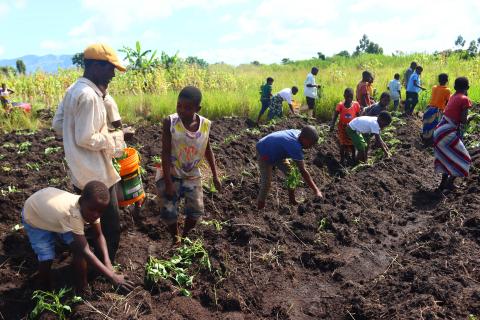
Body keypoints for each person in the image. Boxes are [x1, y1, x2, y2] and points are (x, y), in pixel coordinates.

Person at [52, 43, 127, 263]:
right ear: (95, 65)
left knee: (89, 220)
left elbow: (58, 125)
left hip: (79, 170)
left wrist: (72, 131)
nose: (113, 74)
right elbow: (86, 138)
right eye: (110, 68)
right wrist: (113, 138)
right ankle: (105, 269)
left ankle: (91, 260)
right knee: (111, 227)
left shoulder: (73, 90)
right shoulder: (90, 96)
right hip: (97, 175)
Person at [22, 181, 134, 293]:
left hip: (51, 208)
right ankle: (43, 287)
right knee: (47, 255)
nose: (96, 215)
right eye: (92, 210)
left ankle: (82, 286)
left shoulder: (93, 206)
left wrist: (108, 263)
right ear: (81, 201)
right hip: (34, 214)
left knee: (77, 248)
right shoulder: (74, 214)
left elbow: (99, 235)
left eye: (100, 211)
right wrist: (113, 277)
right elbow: (85, 251)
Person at [158, 86, 221, 245]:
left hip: (192, 174)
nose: (181, 110)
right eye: (179, 105)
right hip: (171, 172)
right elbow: (165, 153)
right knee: (169, 211)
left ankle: (184, 237)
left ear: (197, 108)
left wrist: (215, 175)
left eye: (187, 107)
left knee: (195, 211)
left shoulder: (205, 125)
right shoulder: (170, 122)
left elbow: (208, 149)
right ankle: (175, 239)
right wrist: (168, 182)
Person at [256, 126, 323, 209]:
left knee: (291, 175)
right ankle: (260, 208)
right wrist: (316, 190)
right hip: (264, 151)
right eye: (310, 143)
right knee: (266, 183)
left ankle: (292, 200)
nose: (311, 146)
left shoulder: (299, 133)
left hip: (277, 153)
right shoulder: (294, 146)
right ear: (303, 138)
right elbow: (303, 171)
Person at [433, 77, 472, 192]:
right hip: (447, 132)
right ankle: (450, 183)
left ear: (454, 87)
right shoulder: (465, 99)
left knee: (445, 158)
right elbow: (463, 120)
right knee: (465, 159)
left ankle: (442, 185)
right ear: (467, 88)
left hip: (439, 130)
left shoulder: (452, 97)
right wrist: (470, 117)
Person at [329, 88, 361, 164]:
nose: (349, 98)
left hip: (352, 127)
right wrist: (332, 125)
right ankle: (342, 159)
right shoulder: (340, 105)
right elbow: (335, 116)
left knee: (352, 144)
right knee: (343, 144)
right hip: (342, 127)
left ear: (353, 97)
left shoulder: (356, 105)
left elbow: (358, 116)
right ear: (344, 96)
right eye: (347, 97)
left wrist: (359, 127)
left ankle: (353, 158)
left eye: (351, 97)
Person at [421, 73, 451, 144]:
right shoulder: (447, 90)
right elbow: (447, 102)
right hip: (438, 111)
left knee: (427, 124)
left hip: (430, 108)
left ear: (438, 80)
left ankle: (425, 138)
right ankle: (432, 141)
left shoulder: (434, 87)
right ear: (446, 80)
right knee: (436, 126)